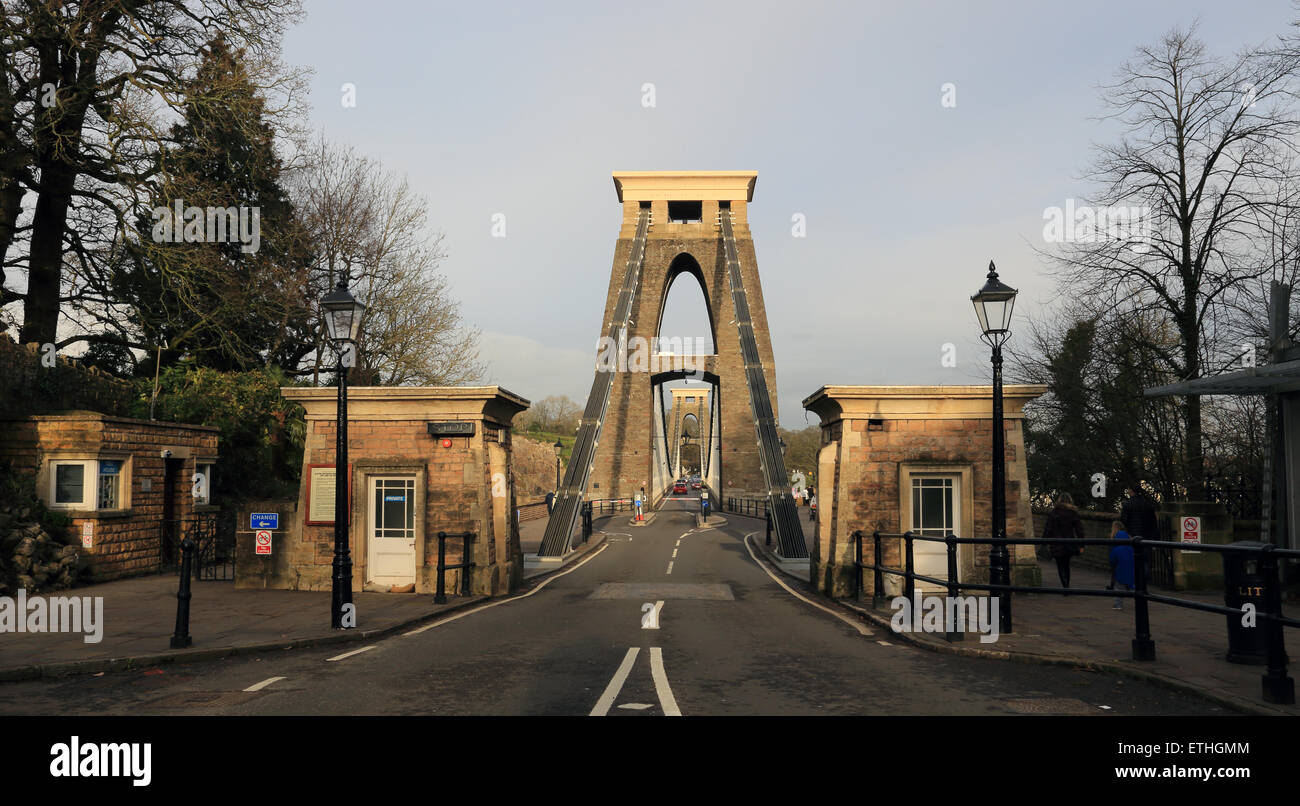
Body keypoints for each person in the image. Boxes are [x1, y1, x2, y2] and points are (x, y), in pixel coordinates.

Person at [1044, 492, 1085, 589]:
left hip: (1056, 544)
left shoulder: (1054, 513)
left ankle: (1065, 584)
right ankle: (1067, 585)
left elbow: (1048, 528)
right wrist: (1081, 545)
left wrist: (1044, 541)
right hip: (1069, 543)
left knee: (1060, 565)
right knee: (1066, 565)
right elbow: (1079, 530)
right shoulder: (1073, 513)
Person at [1108, 520, 1135, 610]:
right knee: (1132, 585)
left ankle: (1117, 605)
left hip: (1120, 570)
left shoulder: (1116, 549)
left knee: (1119, 587)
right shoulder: (1131, 547)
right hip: (1131, 569)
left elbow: (1112, 560)